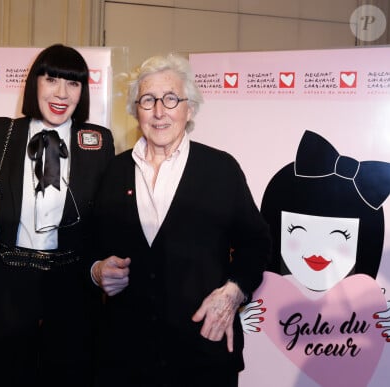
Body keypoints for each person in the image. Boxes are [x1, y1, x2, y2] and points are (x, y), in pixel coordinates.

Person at [90, 53, 271, 387]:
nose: (160, 112)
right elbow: (91, 245)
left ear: (189, 108)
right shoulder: (113, 172)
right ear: (135, 111)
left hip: (202, 353)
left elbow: (257, 244)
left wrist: (233, 291)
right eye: (148, 100)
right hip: (125, 357)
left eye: (171, 99)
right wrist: (97, 270)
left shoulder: (221, 170)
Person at [0, 44, 115, 387]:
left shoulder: (98, 142)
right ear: (34, 84)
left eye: (73, 83)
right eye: (51, 79)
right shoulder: (0, 133)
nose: (61, 93)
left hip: (72, 284)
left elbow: (107, 217)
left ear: (83, 91)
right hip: (11, 280)